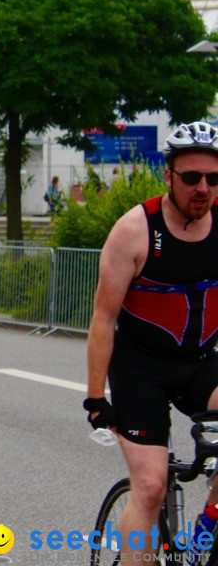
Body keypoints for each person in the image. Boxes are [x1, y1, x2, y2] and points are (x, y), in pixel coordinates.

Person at [85, 121, 218, 563]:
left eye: (213, 179)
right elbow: (104, 318)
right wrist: (94, 398)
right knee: (150, 488)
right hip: (141, 367)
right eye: (191, 177)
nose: (203, 187)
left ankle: (202, 542)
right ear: (169, 176)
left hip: (201, 361)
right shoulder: (135, 230)